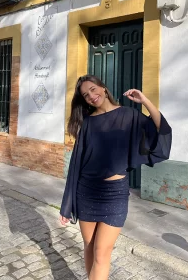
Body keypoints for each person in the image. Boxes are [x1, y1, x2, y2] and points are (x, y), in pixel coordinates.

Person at [59, 75, 172, 280]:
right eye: (86, 95)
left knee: (102, 253)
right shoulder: (87, 123)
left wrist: (144, 100)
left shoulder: (129, 115)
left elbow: (160, 128)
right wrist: (68, 203)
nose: (91, 96)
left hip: (115, 194)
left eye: (93, 89)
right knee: (90, 246)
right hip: (86, 191)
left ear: (103, 88)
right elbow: (76, 163)